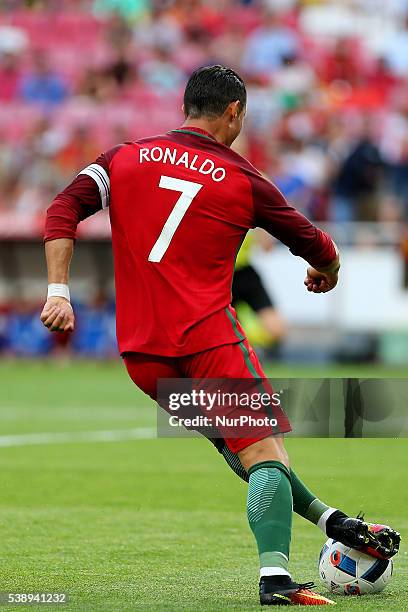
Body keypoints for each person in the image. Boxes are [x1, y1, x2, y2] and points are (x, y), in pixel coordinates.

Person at [40, 65, 400, 606]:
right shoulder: (243, 177)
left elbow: (63, 208)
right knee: (266, 458)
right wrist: (328, 272)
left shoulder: (123, 157)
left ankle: (334, 522)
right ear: (233, 112)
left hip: (142, 355)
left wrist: (58, 291)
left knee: (249, 453)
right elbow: (318, 244)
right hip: (207, 341)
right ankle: (276, 580)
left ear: (187, 106)